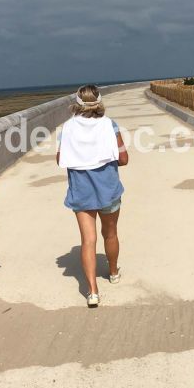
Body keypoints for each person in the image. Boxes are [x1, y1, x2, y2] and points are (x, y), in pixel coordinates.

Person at [57, 84, 128, 307]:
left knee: (88, 240)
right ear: (99, 101)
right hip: (108, 189)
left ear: (77, 103)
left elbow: (61, 159)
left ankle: (92, 291)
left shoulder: (67, 128)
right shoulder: (109, 125)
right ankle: (114, 272)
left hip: (81, 191)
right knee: (110, 233)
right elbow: (124, 159)